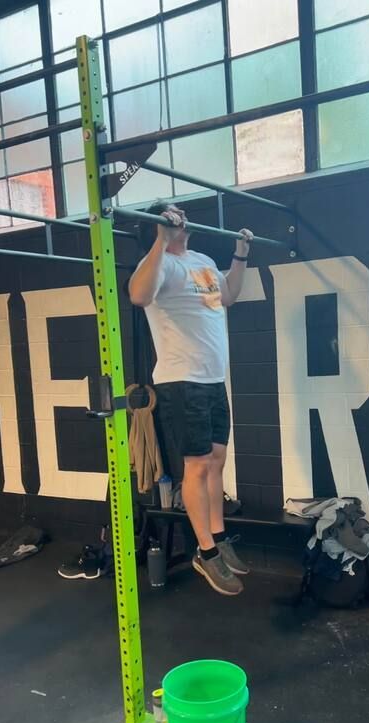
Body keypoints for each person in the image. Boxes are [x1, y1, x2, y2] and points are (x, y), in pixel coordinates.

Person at [129, 201, 253, 596]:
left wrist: (240, 255)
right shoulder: (159, 263)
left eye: (179, 213)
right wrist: (161, 239)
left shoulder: (201, 259)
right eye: (170, 215)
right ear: (159, 224)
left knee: (217, 461)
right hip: (181, 382)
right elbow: (137, 295)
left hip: (214, 380)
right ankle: (205, 552)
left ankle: (218, 536)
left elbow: (229, 296)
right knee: (196, 467)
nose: (180, 218)